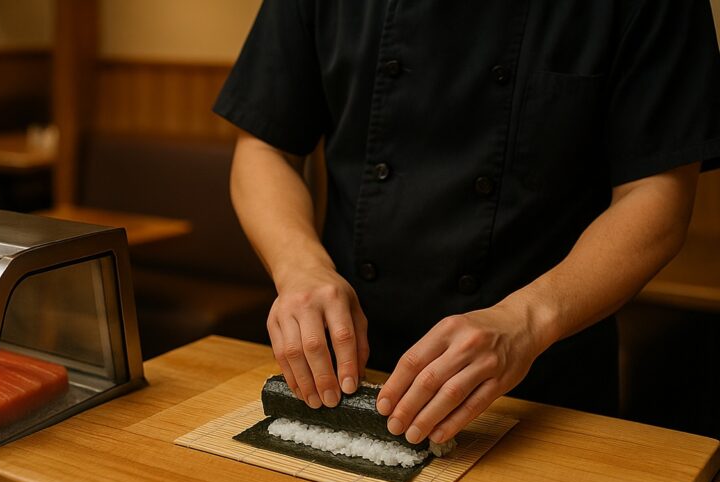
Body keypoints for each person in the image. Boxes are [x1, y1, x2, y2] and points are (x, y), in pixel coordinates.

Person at [214, 0, 720, 446]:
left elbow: (657, 195)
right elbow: (265, 147)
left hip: (541, 389)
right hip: (349, 369)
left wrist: (526, 323)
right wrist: (300, 268)